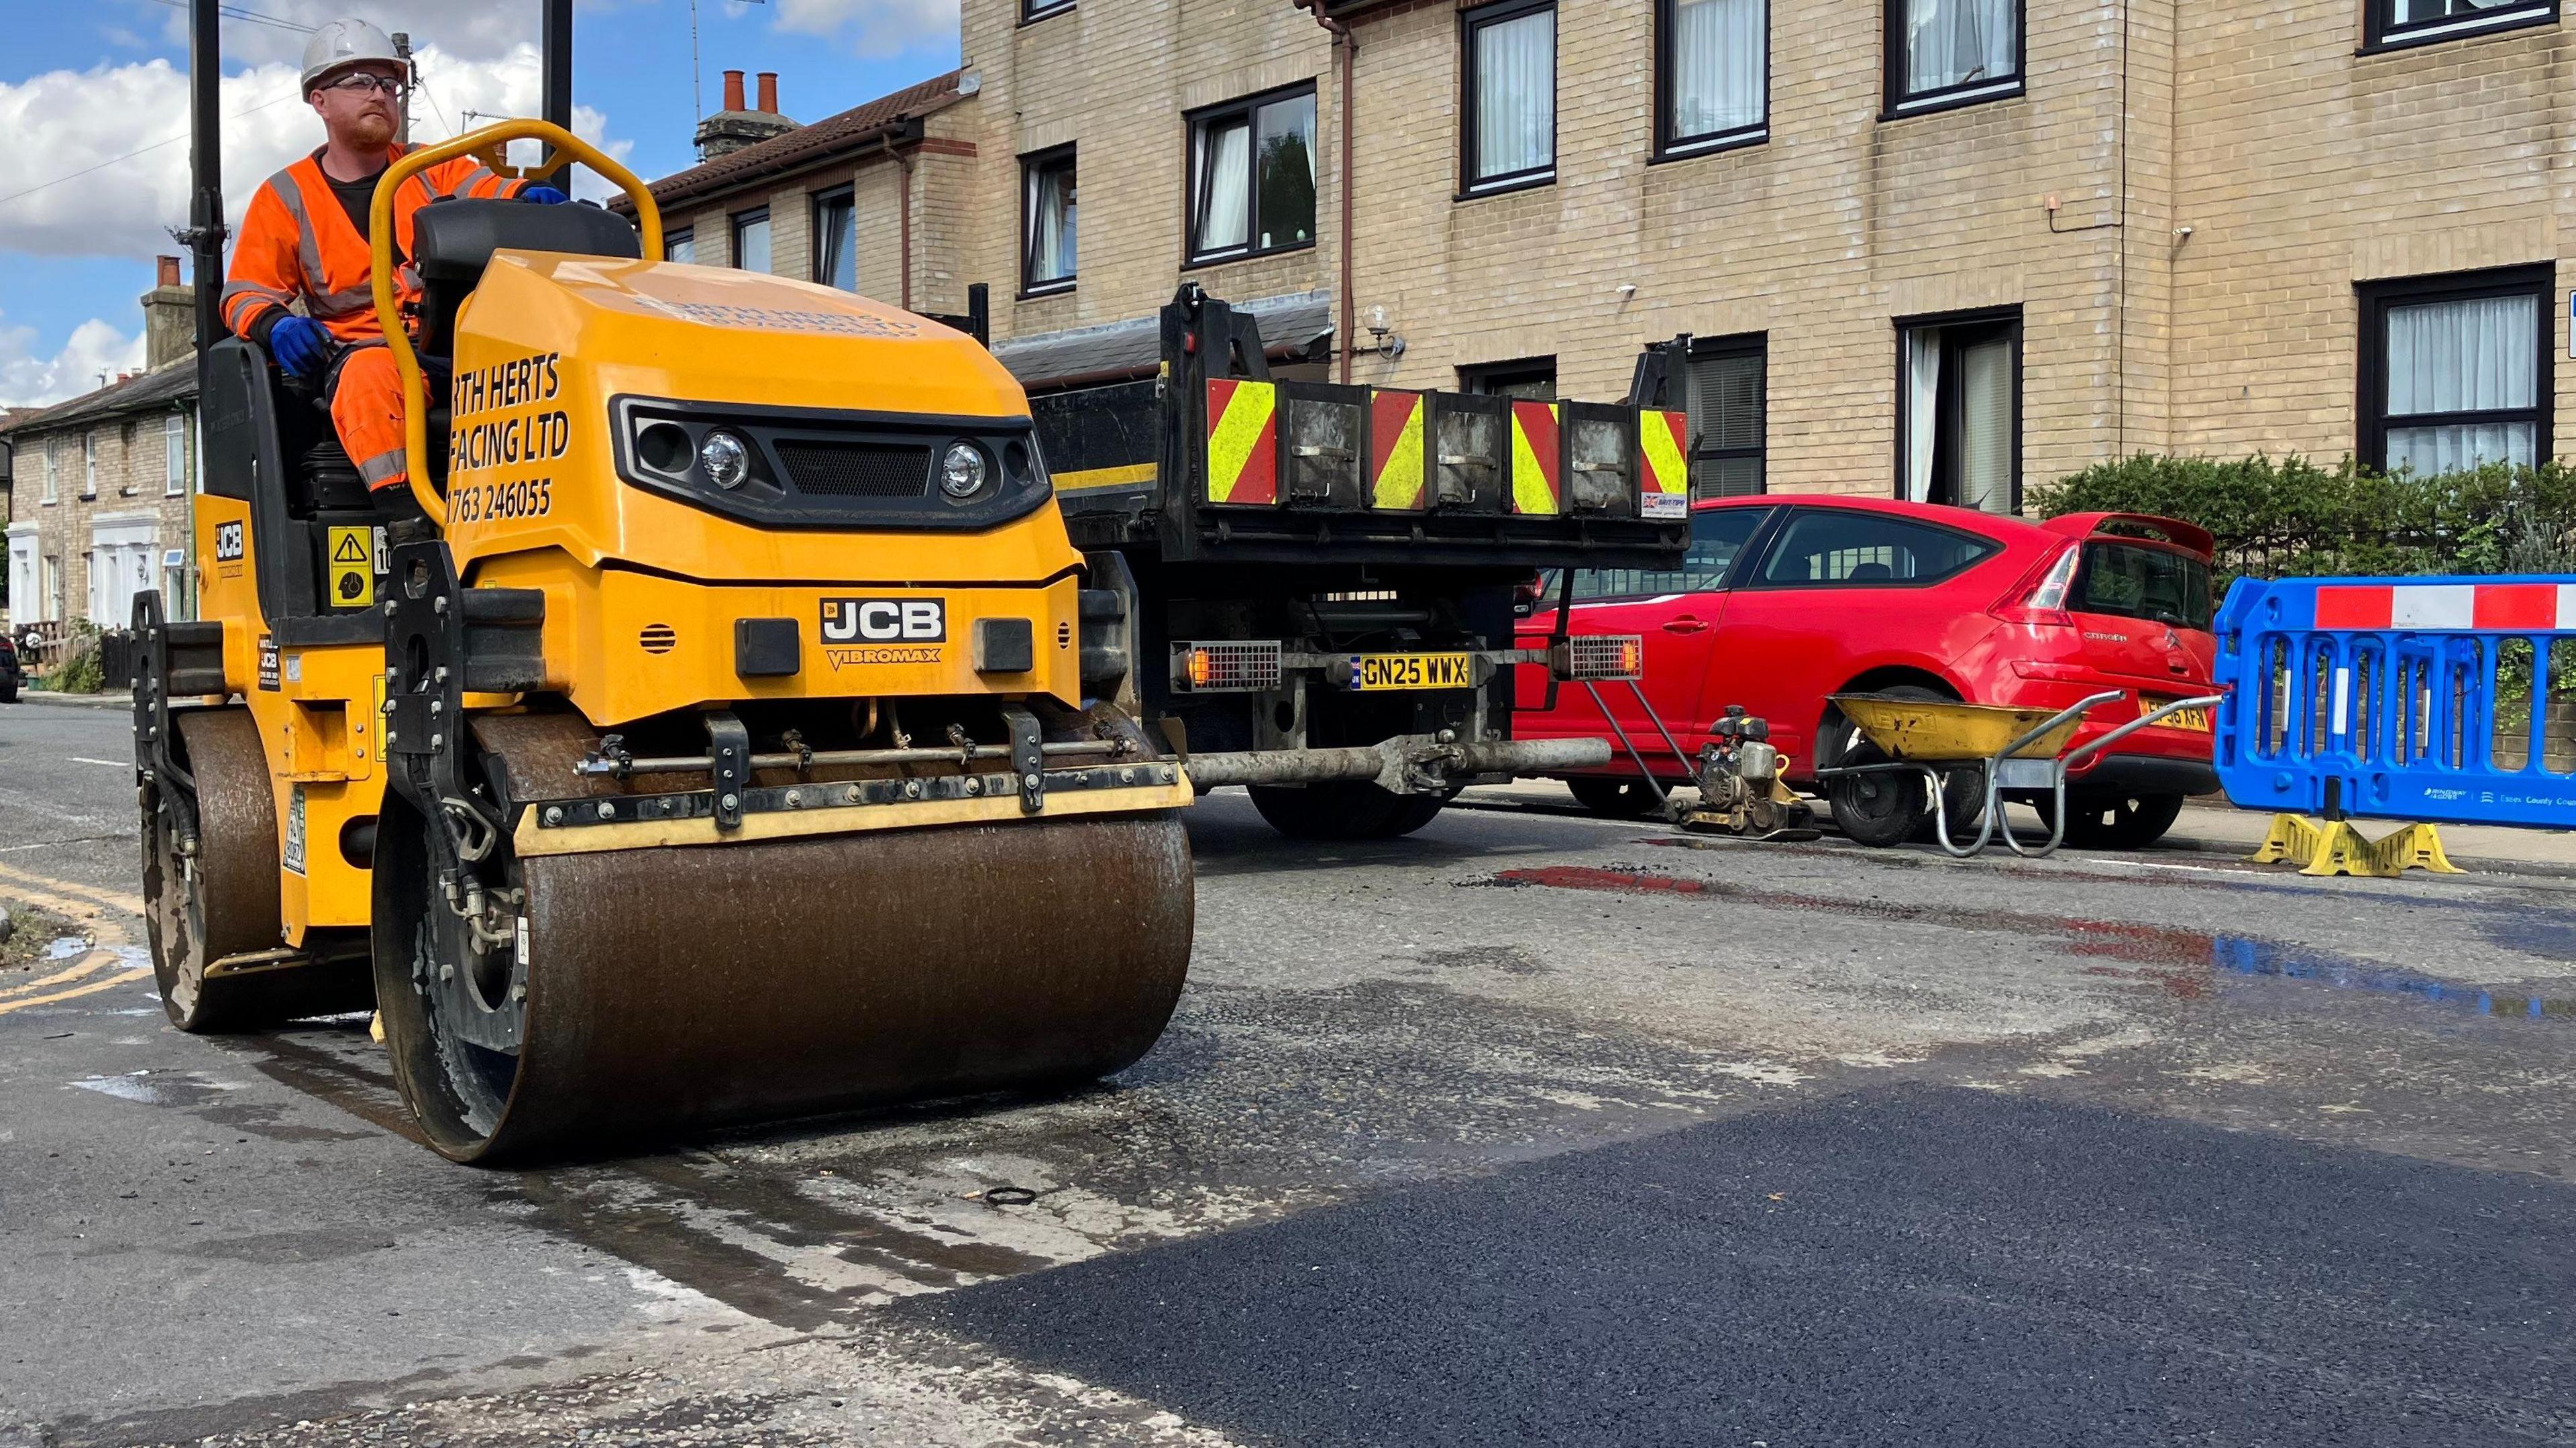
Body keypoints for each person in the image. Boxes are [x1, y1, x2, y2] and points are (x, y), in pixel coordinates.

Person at [221, 18, 567, 511]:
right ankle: (408, 524)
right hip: (363, 358)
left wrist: (524, 195)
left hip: (453, 350)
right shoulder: (287, 196)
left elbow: (486, 190)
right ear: (319, 101)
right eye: (361, 82)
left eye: (389, 83)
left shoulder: (431, 166)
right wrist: (277, 325)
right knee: (371, 376)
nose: (380, 95)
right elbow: (244, 291)